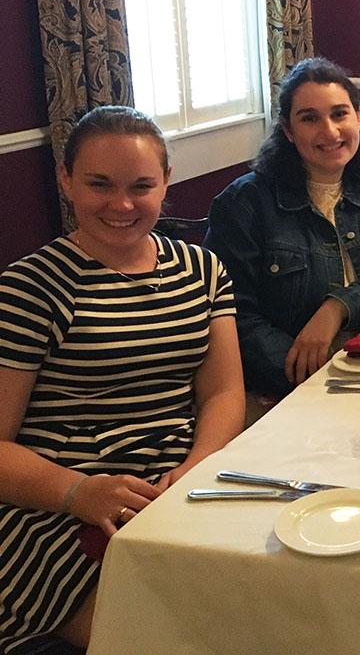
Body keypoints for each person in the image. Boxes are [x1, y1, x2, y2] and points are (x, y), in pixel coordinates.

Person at [0, 106, 245, 652]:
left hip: (179, 481)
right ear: (66, 181)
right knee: (175, 634)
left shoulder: (202, 271)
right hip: (56, 505)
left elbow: (225, 393)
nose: (122, 204)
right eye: (99, 184)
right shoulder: (28, 289)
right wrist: (78, 492)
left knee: (276, 590)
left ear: (166, 182)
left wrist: (195, 467)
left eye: (141, 186)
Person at [206, 57, 360, 399]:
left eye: (339, 114)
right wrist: (316, 375)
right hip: (286, 391)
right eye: (309, 118)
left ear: (359, 118)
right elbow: (231, 317)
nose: (329, 131)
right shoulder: (244, 205)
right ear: (288, 130)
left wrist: (339, 307)